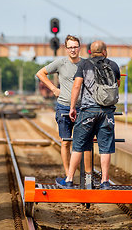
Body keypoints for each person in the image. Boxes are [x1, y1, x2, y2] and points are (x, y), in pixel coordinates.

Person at [36, 35, 91, 187]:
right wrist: (53, 89)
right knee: (66, 142)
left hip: (83, 108)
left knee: (85, 144)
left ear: (80, 48)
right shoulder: (61, 62)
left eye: (75, 47)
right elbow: (40, 73)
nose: (73, 50)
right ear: (66, 49)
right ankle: (69, 176)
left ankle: (87, 177)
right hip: (64, 107)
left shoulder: (86, 63)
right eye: (70, 47)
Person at [65, 40, 120, 190]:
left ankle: (69, 179)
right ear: (104, 51)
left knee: (78, 145)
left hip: (88, 111)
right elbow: (117, 85)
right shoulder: (113, 65)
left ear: (90, 51)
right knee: (105, 147)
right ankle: (105, 181)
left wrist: (72, 107)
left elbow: (77, 86)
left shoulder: (84, 65)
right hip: (107, 112)